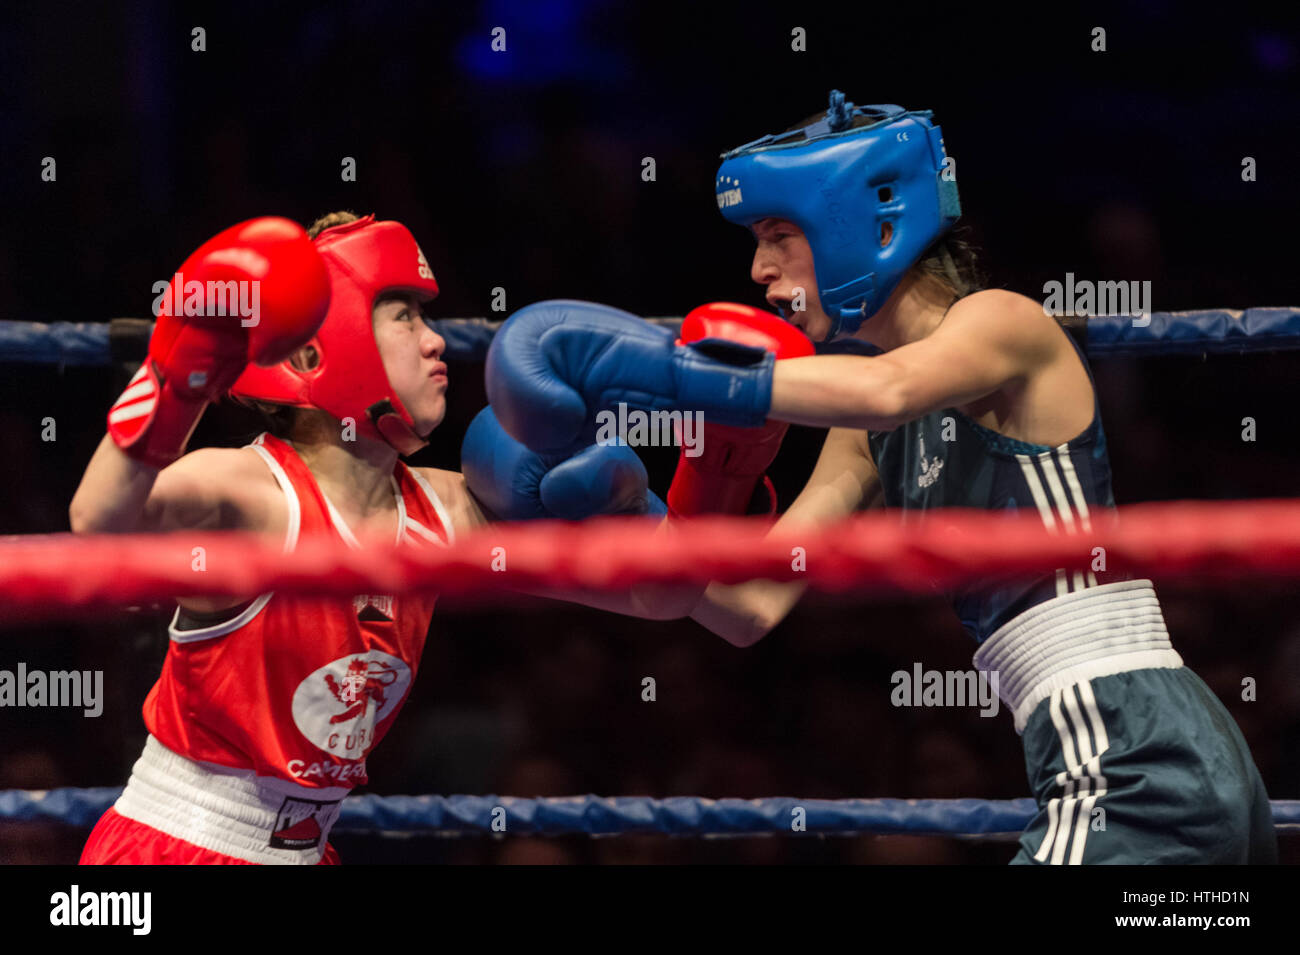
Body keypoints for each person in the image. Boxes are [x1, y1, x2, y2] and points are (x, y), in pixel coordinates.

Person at [472, 91, 1277, 864]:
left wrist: (662, 370)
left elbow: (890, 387)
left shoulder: (1002, 323)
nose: (757, 268)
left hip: (1132, 761)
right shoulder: (869, 428)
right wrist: (628, 521)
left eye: (777, 233)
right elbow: (748, 607)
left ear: (864, 220)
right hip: (1131, 761)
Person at [70, 211, 660, 864]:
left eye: (425, 316)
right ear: (315, 351)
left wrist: (700, 471)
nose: (436, 342)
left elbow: (657, 597)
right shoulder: (250, 495)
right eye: (403, 316)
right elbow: (99, 521)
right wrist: (179, 373)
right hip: (174, 847)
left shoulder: (445, 513)